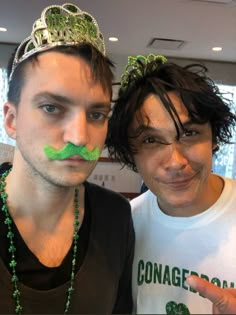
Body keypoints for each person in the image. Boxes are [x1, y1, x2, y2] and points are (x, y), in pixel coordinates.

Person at [0, 3, 134, 314]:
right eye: (52, 108)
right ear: (11, 119)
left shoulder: (116, 218)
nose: (79, 137)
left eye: (97, 114)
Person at [106, 53, 236, 314]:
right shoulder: (127, 223)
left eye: (189, 134)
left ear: (213, 138)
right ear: (131, 154)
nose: (176, 162)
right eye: (151, 141)